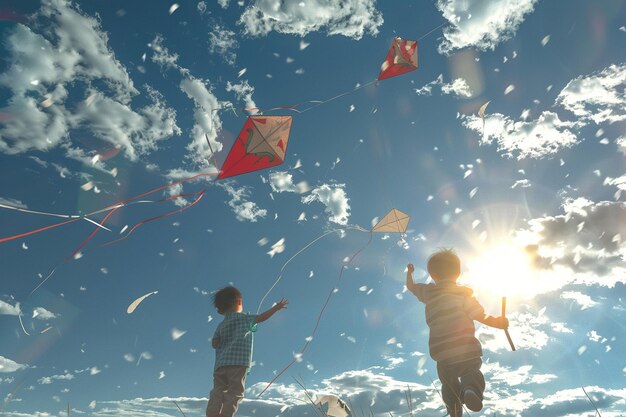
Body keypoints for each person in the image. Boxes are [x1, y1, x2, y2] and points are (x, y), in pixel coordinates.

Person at [406, 249, 508, 417]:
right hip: (466, 347)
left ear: (432, 274)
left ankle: (453, 409)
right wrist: (498, 322)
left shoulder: (429, 293)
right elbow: (480, 316)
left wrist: (409, 273)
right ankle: (470, 389)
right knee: (471, 372)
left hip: (441, 351)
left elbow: (410, 287)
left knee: (448, 383)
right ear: (458, 273)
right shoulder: (463, 295)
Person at [206, 286, 288, 417]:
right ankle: (226, 414)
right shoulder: (245, 318)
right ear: (239, 302)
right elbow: (262, 317)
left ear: (220, 310)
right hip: (239, 363)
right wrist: (276, 308)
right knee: (235, 391)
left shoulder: (220, 325)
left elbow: (214, 344)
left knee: (218, 390)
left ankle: (212, 413)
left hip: (220, 366)